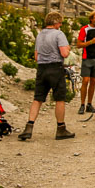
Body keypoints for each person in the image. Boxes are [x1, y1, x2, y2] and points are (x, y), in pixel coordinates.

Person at [19, 11, 74, 141]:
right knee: (59, 99)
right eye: (60, 22)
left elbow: (36, 56)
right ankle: (61, 128)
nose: (60, 25)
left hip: (41, 69)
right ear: (56, 23)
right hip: (55, 68)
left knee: (37, 99)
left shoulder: (40, 35)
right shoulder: (59, 34)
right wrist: (68, 49)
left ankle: (29, 127)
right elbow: (64, 53)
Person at [74, 11, 95, 115]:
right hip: (86, 58)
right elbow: (78, 45)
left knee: (93, 81)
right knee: (85, 81)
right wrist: (91, 42)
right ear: (91, 19)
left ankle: (89, 104)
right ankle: (82, 104)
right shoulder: (84, 29)